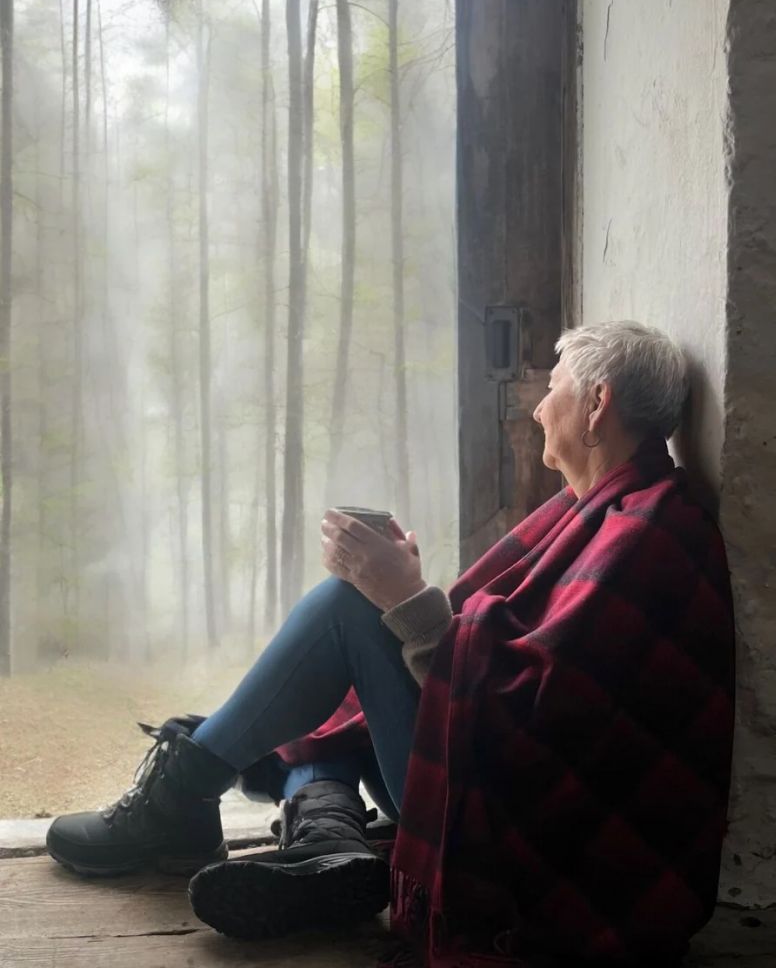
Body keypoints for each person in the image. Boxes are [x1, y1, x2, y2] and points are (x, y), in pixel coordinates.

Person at [47, 321, 735, 967]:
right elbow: (494, 657)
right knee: (343, 681)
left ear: (596, 403)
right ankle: (330, 843)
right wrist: (403, 597)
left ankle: (182, 801)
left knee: (349, 611)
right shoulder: (606, 507)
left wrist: (402, 598)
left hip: (529, 833)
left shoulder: (646, 533)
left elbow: (527, 712)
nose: (536, 409)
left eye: (552, 387)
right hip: (493, 783)